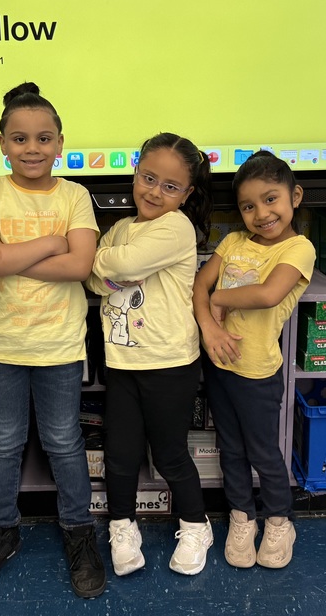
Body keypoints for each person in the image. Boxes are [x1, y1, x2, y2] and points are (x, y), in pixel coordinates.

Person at [0, 82, 105, 598]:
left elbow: (80, 266)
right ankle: (0, 531)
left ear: (60, 143)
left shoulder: (75, 196)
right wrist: (49, 243)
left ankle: (79, 531)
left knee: (64, 441)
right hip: (0, 344)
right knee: (4, 443)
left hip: (58, 345)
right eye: (19, 139)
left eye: (44, 138)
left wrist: (9, 256)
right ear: (2, 143)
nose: (32, 148)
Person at [85, 132, 214, 577]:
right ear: (136, 173)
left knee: (170, 454)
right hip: (123, 364)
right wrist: (112, 269)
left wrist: (110, 265)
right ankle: (121, 525)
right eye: (149, 178)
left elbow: (116, 266)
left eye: (171, 186)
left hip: (170, 365)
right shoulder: (122, 229)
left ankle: (195, 525)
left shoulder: (176, 227)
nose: (155, 192)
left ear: (187, 194)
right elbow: (93, 280)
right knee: (119, 455)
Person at [192, 150, 315, 570]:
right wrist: (209, 326)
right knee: (230, 448)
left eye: (270, 199)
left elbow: (267, 294)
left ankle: (279, 520)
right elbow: (199, 284)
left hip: (257, 372)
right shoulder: (232, 243)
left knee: (263, 452)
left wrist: (219, 298)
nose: (261, 214)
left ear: (294, 196)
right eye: (248, 206)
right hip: (219, 365)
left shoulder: (299, 248)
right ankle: (242, 517)